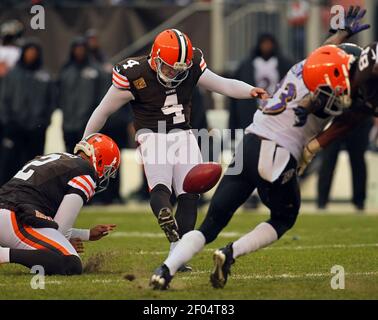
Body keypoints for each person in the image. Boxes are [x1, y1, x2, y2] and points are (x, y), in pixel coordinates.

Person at [149, 7, 369, 289]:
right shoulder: (331, 82)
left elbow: (323, 56)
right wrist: (313, 145)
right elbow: (343, 114)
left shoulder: (303, 68)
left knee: (210, 225)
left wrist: (340, 34)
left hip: (250, 144)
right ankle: (230, 253)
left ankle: (165, 270)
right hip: (277, 153)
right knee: (284, 217)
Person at [82, 29, 268, 263]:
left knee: (190, 194)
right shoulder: (134, 74)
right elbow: (103, 110)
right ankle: (166, 220)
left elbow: (224, 85)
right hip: (152, 135)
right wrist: (86, 139)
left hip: (184, 133)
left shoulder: (190, 67)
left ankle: (175, 251)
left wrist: (249, 91)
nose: (175, 73)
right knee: (161, 188)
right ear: (155, 57)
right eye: (170, 68)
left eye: (180, 69)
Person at [0, 133, 120, 275]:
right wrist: (64, 242)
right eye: (106, 170)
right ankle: (3, 255)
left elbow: (52, 226)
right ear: (99, 159)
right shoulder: (85, 172)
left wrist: (87, 234)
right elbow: (61, 229)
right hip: (15, 217)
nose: (103, 175)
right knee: (70, 263)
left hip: (13, 212)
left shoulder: (59, 157)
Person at [0, 39, 55, 185]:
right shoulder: (12, 75)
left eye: (34, 52)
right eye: (29, 52)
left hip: (36, 129)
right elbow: (4, 99)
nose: (31, 55)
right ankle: (7, 194)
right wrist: (8, 122)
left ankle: (32, 194)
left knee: (34, 165)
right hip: (14, 127)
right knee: (10, 162)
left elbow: (51, 101)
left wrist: (44, 122)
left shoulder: (45, 76)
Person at [58, 36, 107, 153]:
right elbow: (59, 96)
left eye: (82, 48)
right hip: (68, 124)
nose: (79, 51)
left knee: (88, 156)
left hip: (89, 124)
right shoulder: (66, 71)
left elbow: (103, 97)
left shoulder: (97, 71)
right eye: (77, 48)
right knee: (70, 156)